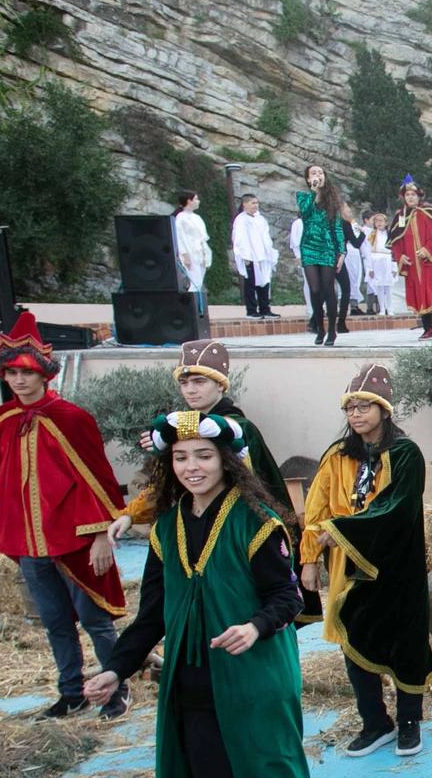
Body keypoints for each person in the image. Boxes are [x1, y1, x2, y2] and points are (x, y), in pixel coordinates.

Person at [85, 411, 318, 778]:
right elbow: (151, 614)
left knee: (270, 771)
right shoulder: (165, 529)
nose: (192, 467)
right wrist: (116, 669)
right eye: (181, 457)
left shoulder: (257, 520)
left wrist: (255, 628)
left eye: (204, 456)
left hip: (254, 673)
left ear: (227, 460)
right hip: (191, 679)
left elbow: (288, 596)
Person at [0, 313, 130, 721]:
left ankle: (116, 689)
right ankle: (71, 693)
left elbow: (100, 480)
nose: (18, 380)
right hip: (31, 544)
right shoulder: (2, 420)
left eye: (26, 373)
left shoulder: (71, 418)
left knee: (95, 620)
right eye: (11, 372)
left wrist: (103, 535)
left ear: (44, 375)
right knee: (55, 623)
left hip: (77, 542)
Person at [300, 366, 432, 757]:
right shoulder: (338, 456)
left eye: (364, 407)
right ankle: (375, 722)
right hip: (349, 562)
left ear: (384, 409)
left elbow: (397, 506)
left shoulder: (405, 453)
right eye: (350, 408)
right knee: (353, 637)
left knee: (405, 640)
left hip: (397, 563)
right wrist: (310, 559)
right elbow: (316, 508)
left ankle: (410, 722)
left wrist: (342, 528)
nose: (356, 414)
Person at [109, 340, 299, 562]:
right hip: (200, 521)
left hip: (239, 528)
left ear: (220, 385)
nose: (190, 389)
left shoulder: (237, 427)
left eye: (199, 381)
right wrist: (131, 515)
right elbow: (168, 483)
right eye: (184, 382)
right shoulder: (185, 426)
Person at [389, 176, 432, 340]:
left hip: (429, 262)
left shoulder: (427, 212)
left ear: (419, 196)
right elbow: (396, 241)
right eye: (407, 195)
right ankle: (428, 329)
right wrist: (400, 256)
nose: (410, 197)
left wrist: (426, 250)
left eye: (413, 194)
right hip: (412, 263)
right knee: (420, 296)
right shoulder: (400, 216)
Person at [297, 165, 351, 347]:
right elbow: (305, 213)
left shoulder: (332, 201)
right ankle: (319, 327)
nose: (317, 176)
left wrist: (342, 251)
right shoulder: (303, 197)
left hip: (327, 247)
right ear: (307, 179)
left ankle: (332, 331)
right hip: (309, 246)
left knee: (328, 289)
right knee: (315, 289)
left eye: (320, 173)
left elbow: (337, 227)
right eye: (313, 173)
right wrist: (314, 192)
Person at [231, 194, 278, 320]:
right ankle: (251, 310)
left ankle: (265, 309)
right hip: (250, 256)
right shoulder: (241, 220)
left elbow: (266, 237)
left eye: (257, 203)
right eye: (252, 203)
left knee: (264, 282)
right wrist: (245, 255)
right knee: (250, 283)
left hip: (263, 256)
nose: (255, 205)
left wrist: (270, 253)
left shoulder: (260, 219)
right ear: (245, 204)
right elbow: (240, 239)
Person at [174, 189, 212, 323]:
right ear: (189, 201)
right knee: (194, 282)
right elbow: (180, 238)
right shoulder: (181, 218)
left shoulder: (197, 217)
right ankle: (190, 309)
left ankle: (195, 309)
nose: (198, 201)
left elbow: (202, 237)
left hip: (200, 252)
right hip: (190, 251)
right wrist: (185, 255)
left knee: (198, 281)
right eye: (195, 199)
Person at [361, 212, 394, 316]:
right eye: (376, 221)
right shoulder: (372, 235)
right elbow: (368, 251)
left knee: (388, 286)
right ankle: (382, 309)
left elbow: (394, 251)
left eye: (381, 221)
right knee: (379, 286)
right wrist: (370, 268)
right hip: (376, 261)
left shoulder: (390, 234)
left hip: (388, 259)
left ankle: (390, 308)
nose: (378, 223)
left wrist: (395, 267)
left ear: (385, 223)